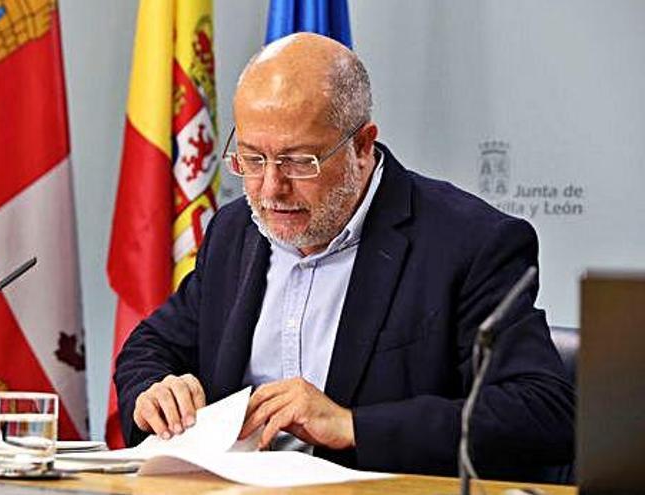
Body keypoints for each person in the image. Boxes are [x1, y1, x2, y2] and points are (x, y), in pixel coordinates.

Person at [114, 33, 574, 481]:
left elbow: (540, 410)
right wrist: (155, 390)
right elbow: (149, 347)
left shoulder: (468, 243)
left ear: (361, 145)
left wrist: (351, 424)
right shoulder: (235, 231)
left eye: (298, 162)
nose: (271, 189)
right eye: (252, 159)